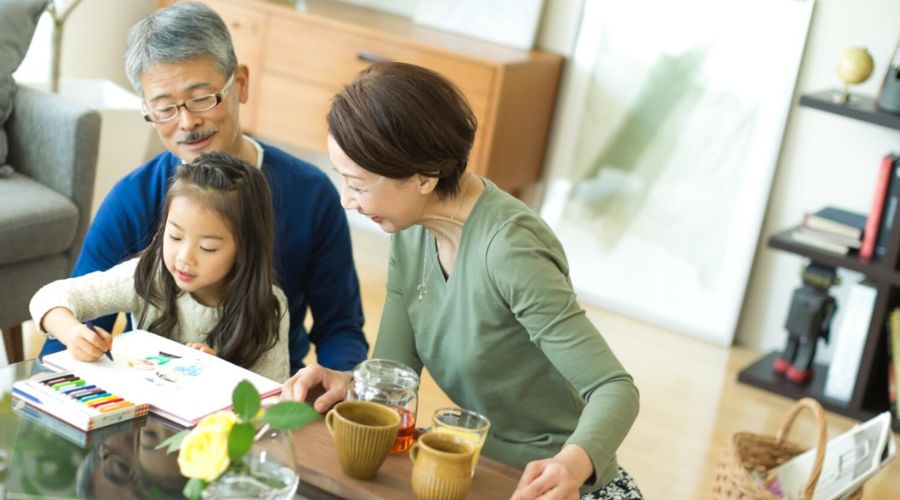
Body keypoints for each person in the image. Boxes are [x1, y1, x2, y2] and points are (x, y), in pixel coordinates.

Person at [283, 62, 642, 499]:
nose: (346, 200)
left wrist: (570, 464)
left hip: (553, 485)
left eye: (357, 184)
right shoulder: (413, 229)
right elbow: (398, 369)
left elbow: (614, 389)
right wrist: (352, 384)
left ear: (423, 177)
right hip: (470, 464)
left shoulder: (510, 251)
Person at [38, 1, 368, 373]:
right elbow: (70, 332)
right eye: (164, 108)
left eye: (201, 98)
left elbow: (341, 330)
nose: (188, 122)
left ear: (240, 84)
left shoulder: (311, 195)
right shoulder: (132, 199)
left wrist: (329, 394)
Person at [30, 152, 289, 381]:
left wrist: (220, 375)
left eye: (208, 247)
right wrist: (72, 332)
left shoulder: (268, 306)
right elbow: (48, 297)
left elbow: (272, 403)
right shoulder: (147, 276)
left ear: (246, 248)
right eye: (175, 237)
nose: (184, 258)